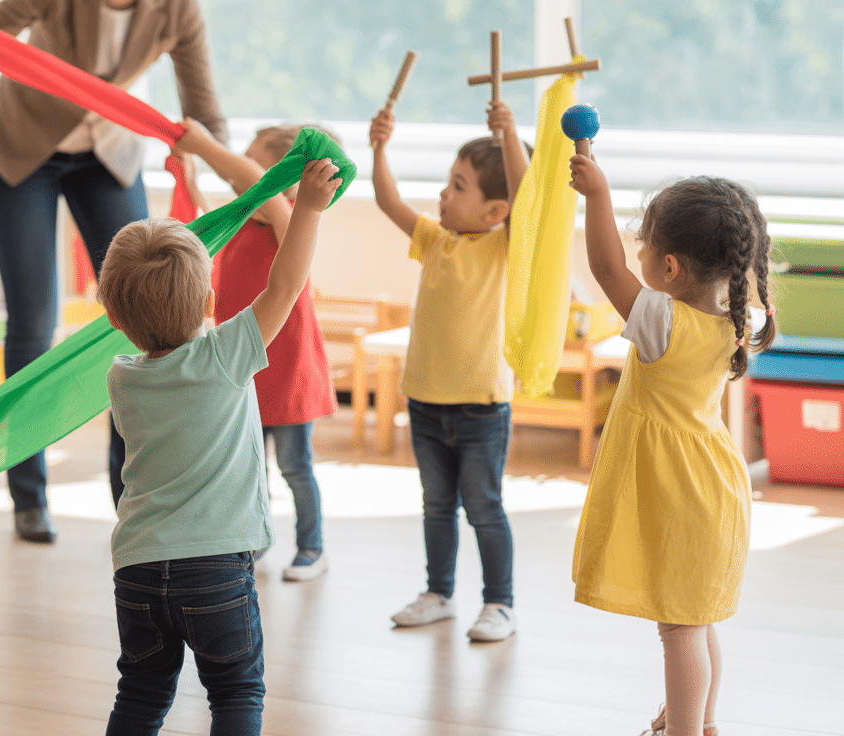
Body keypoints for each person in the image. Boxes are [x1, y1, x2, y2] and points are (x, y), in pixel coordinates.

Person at [97, 152, 342, 734]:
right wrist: (307, 208)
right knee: (235, 694)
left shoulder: (121, 375)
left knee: (141, 691)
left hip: (135, 567)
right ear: (210, 302)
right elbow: (286, 285)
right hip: (214, 568)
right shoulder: (225, 356)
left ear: (114, 315)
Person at [0, 0, 228, 543]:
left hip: (107, 155)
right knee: (34, 320)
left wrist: (242, 180)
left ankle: (130, 490)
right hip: (21, 145)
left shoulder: (178, 10)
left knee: (142, 314)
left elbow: (203, 108)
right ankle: (28, 493)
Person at [568, 155, 773, 736]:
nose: (635, 255)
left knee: (679, 629)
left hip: (684, 494)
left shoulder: (662, 323)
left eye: (644, 246)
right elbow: (620, 267)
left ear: (671, 267)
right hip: (712, 486)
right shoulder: (738, 320)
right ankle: (699, 721)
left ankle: (685, 731)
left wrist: (597, 194)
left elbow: (606, 269)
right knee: (697, 621)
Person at [369, 101, 530, 642]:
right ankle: (438, 592)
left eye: (458, 186)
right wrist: (379, 147)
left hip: (482, 407)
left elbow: (527, 201)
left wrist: (508, 134)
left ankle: (499, 603)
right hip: (425, 402)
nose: (443, 194)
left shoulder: (506, 247)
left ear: (494, 211)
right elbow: (388, 199)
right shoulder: (435, 240)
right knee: (436, 505)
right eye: (448, 182)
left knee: (484, 508)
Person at [176, 120, 337, 581]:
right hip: (246, 360)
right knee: (251, 464)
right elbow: (217, 224)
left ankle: (312, 547)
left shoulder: (285, 211)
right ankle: (256, 540)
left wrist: (206, 146)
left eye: (251, 160)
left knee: (294, 464)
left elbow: (251, 182)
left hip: (284, 361)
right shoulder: (251, 213)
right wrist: (189, 179)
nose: (238, 172)